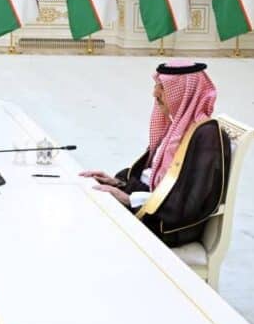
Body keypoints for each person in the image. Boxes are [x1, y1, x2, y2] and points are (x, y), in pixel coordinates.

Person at [80, 61, 231, 248]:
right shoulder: (178, 127)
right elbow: (155, 180)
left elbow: (189, 202)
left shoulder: (208, 136)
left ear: (185, 93)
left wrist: (129, 199)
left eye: (162, 87)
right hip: (153, 209)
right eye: (156, 86)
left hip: (168, 225)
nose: (155, 93)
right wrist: (118, 183)